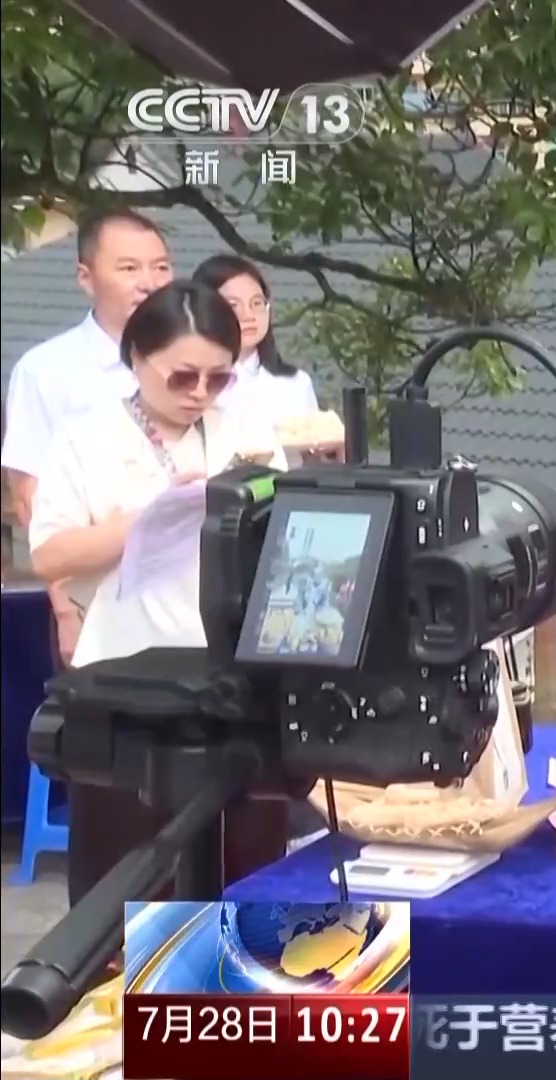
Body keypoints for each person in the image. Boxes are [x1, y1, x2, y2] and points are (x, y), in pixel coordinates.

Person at [27, 279, 291, 906]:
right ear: (138, 358)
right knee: (134, 880)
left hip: (232, 681)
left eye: (219, 378)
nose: (200, 393)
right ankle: (147, 974)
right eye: (182, 377)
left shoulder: (245, 432)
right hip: (129, 686)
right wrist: (150, 517)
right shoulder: (87, 439)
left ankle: (239, 973)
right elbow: (50, 554)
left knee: (249, 876)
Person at [3, 209, 174, 663]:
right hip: (95, 603)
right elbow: (30, 498)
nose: (149, 283)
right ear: (85, 277)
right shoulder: (46, 370)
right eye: (129, 268)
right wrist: (66, 610)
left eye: (161, 267)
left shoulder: (196, 366)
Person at [192, 254, 337, 460]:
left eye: (257, 303)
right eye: (233, 305)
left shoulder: (295, 383)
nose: (248, 315)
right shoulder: (189, 384)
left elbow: (313, 458)